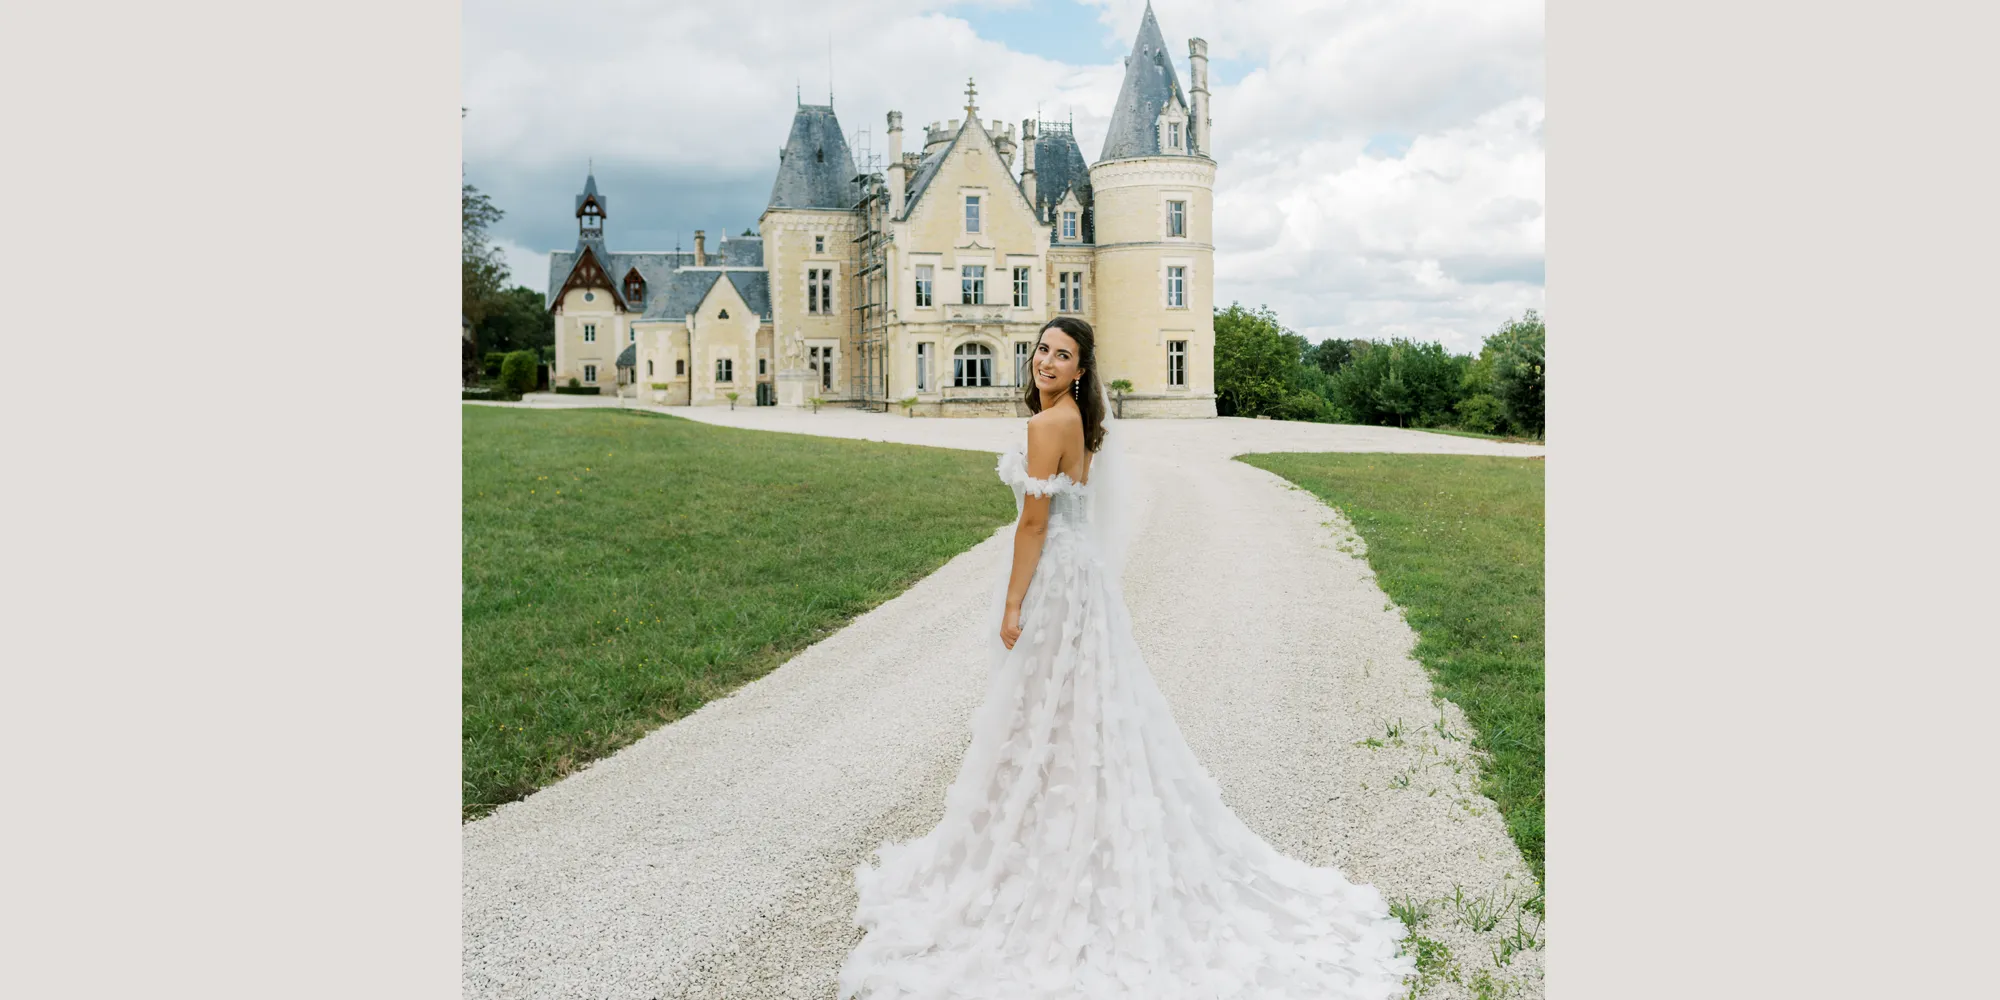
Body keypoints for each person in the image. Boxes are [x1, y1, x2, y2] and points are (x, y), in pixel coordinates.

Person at [839, 317, 1416, 998]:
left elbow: (1033, 522)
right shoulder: (1077, 421)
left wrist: (1011, 603)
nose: (1047, 361)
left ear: (1082, 369)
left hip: (1057, 580)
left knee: (1044, 704)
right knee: (1081, 706)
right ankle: (1059, 820)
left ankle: (1042, 835)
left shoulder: (1047, 425)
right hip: (1085, 581)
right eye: (1044, 350)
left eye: (1063, 355)